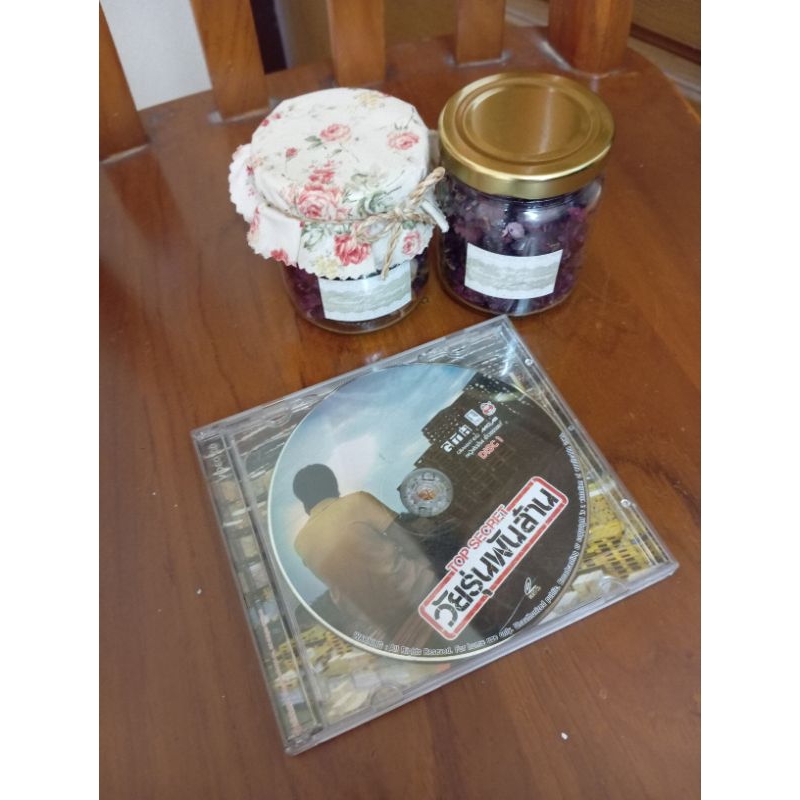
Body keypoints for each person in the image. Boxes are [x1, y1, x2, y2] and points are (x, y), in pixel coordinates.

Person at [292, 464, 437, 647]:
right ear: (334, 486)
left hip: (385, 623)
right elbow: (410, 541)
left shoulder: (301, 543)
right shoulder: (357, 501)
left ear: (304, 501)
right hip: (422, 593)